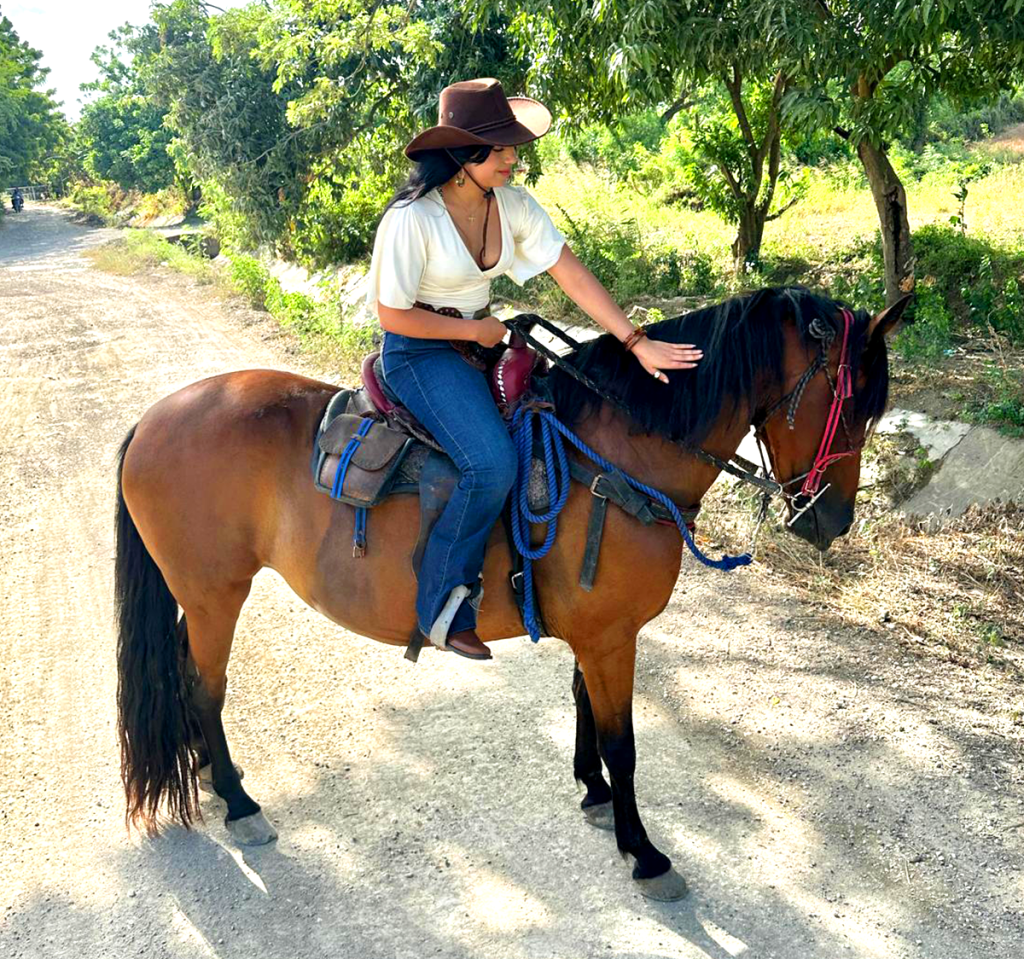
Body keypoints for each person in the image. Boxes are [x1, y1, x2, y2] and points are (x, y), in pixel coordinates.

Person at [364, 77, 702, 661]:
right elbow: (392, 313)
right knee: (490, 462)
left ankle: (542, 581)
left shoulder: (513, 207)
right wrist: (474, 329)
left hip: (480, 341)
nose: (514, 160)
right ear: (464, 155)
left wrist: (633, 339)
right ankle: (441, 604)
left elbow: (568, 273)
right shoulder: (412, 218)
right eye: (500, 149)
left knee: (559, 430)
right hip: (418, 352)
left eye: (513, 148)